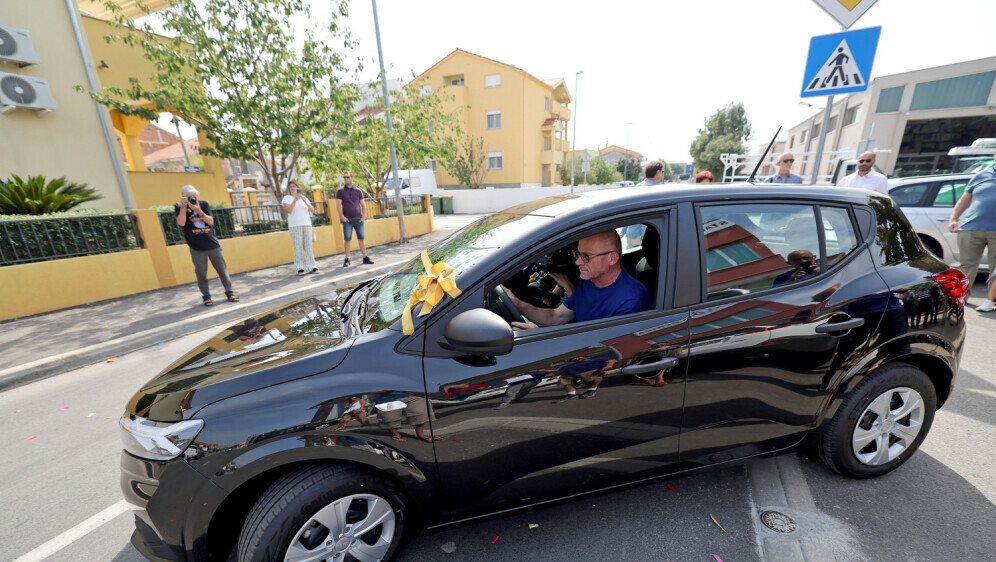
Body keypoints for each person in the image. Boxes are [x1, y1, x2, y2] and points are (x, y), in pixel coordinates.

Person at [504, 230, 650, 328]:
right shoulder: (588, 283)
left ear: (612, 258)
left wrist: (540, 337)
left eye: (586, 256)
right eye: (578, 255)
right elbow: (556, 316)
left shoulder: (631, 300)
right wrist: (517, 304)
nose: (578, 262)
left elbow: (599, 351)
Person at [174, 185, 238, 306]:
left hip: (212, 244)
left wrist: (197, 209)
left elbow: (210, 221)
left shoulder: (204, 204)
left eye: (195, 197)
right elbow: (181, 223)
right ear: (184, 197)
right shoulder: (179, 206)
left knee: (222, 271)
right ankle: (206, 297)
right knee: (201, 274)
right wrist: (184, 207)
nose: (194, 199)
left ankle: (230, 293)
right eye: (190, 198)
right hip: (196, 247)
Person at [947, 163, 996, 312]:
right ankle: (960, 297)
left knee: (995, 269)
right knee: (966, 265)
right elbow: (964, 199)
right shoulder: (981, 175)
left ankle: (991, 301)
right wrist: (954, 218)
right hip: (971, 228)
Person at [335, 171, 373, 267]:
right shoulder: (340, 191)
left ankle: (365, 257)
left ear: (352, 178)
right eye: (344, 177)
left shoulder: (358, 191)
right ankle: (347, 259)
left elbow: (363, 204)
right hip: (347, 221)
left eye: (347, 177)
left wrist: (364, 215)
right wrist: (342, 217)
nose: (346, 179)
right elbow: (338, 206)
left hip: (359, 220)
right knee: (347, 240)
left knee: (361, 239)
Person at [281, 181, 318, 275]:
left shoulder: (304, 198)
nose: (292, 188)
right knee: (298, 247)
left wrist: (304, 200)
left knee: (308, 246)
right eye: (291, 187)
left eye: (294, 186)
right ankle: (300, 267)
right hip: (295, 225)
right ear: (289, 189)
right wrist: (295, 200)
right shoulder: (286, 198)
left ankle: (312, 266)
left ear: (298, 187)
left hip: (306, 224)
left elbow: (312, 210)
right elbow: (289, 210)